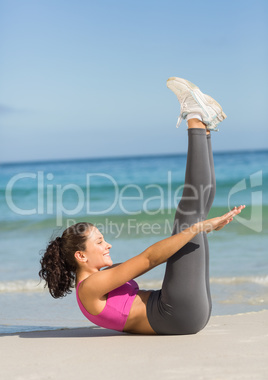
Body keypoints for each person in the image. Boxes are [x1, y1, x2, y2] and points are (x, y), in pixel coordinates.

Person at [39, 77, 245, 335]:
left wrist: (200, 228)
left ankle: (203, 127)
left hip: (184, 313)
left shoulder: (99, 281)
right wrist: (199, 228)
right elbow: (149, 258)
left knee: (195, 213)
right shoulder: (90, 287)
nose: (108, 245)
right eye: (100, 241)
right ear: (81, 255)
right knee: (189, 217)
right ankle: (195, 116)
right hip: (176, 313)